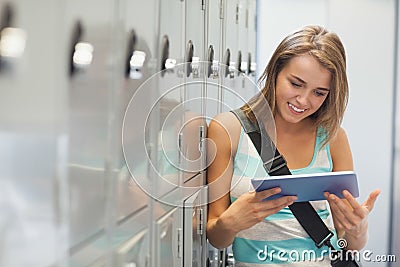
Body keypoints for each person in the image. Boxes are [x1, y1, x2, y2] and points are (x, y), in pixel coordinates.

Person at [206, 25, 380, 266]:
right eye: (296, 84)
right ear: (276, 70)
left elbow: (345, 246)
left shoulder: (333, 138)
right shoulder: (228, 130)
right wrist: (232, 221)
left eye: (319, 93)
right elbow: (216, 237)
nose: (303, 100)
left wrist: (358, 231)